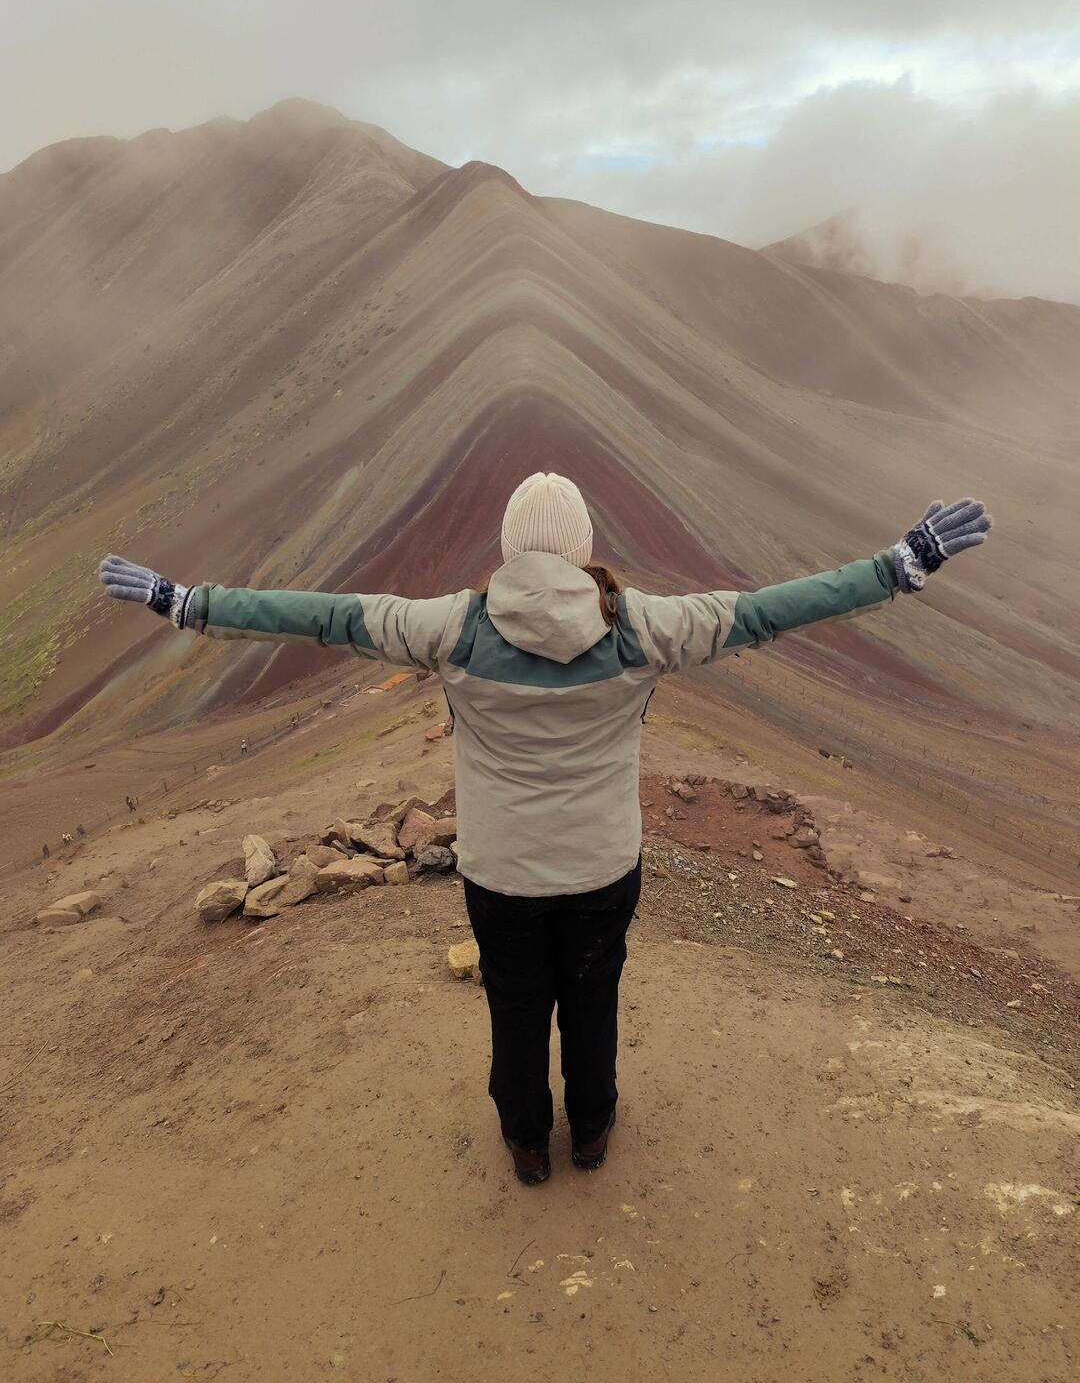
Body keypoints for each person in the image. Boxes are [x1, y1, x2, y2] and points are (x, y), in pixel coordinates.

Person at [98, 475, 992, 1184]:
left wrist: (189, 603)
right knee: (593, 1000)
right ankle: (592, 1132)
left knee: (515, 1008)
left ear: (509, 550)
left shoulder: (449, 627)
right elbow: (765, 611)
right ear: (581, 551)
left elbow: (325, 616)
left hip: (501, 878)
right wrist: (896, 566)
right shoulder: (644, 627)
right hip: (605, 871)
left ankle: (528, 1143)